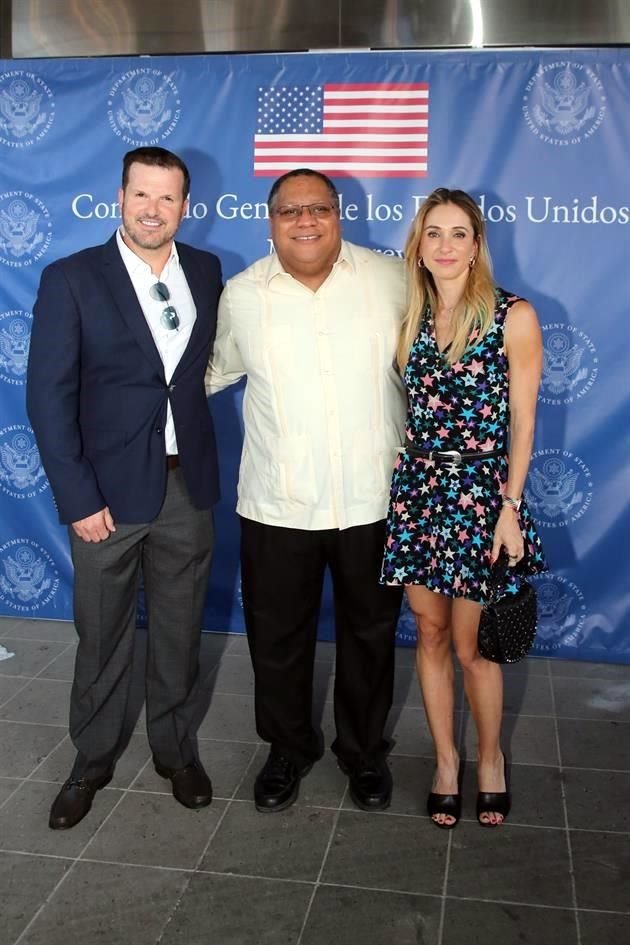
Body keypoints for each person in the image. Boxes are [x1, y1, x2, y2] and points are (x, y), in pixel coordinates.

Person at [27, 146, 222, 829]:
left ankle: (174, 748)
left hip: (184, 487)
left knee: (179, 629)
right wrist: (77, 498)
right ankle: (92, 757)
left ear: (185, 207)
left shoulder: (205, 269)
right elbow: (49, 398)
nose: (153, 209)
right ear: (120, 197)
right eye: (142, 194)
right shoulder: (72, 278)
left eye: (167, 198)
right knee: (103, 633)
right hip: (104, 497)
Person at [207, 168, 406, 813]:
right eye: (290, 211)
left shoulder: (392, 280)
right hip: (277, 501)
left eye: (318, 208)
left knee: (370, 635)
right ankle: (288, 748)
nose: (306, 221)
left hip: (372, 498)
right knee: (277, 637)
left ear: (338, 214)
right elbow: (205, 374)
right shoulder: (240, 295)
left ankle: (364, 751)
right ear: (270, 221)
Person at [381, 187, 546, 828]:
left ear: (477, 246)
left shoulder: (513, 317)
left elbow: (524, 424)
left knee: (474, 646)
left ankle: (491, 760)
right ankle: (446, 761)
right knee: (429, 633)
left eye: (459, 234)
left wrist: (511, 505)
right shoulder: (410, 322)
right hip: (422, 495)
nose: (445, 246)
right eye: (434, 233)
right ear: (418, 247)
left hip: (482, 497)